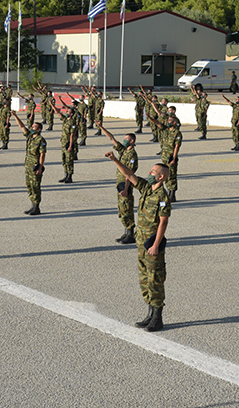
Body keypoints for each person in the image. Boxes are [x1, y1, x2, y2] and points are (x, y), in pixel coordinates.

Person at [104, 152, 171, 332]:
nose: (149, 173)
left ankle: (157, 318)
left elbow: (163, 222)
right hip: (141, 242)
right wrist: (115, 160)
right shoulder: (147, 189)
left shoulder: (162, 197)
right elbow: (129, 175)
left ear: (161, 176)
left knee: (155, 279)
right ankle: (150, 314)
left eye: (152, 171)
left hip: (151, 243)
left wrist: (156, 245)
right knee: (144, 279)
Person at [98, 121, 138, 243]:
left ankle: (131, 234)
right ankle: (126, 232)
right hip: (120, 185)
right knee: (122, 209)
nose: (124, 141)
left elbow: (129, 174)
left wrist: (126, 189)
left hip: (126, 185)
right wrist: (101, 127)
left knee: (127, 209)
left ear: (132, 141)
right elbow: (112, 138)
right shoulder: (124, 151)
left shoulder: (132, 155)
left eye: (127, 139)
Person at [13, 113, 46, 215]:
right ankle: (32, 206)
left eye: (34, 127)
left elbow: (42, 154)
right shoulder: (30, 136)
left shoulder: (41, 140)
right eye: (32, 127)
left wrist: (40, 167)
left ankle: (36, 207)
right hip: (28, 166)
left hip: (35, 166)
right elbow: (22, 126)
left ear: (39, 129)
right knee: (29, 186)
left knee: (35, 186)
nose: (32, 128)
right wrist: (15, 116)